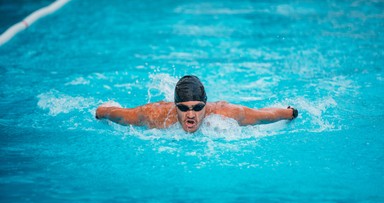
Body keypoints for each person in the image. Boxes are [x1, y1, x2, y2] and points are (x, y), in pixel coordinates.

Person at [95, 75, 298, 133]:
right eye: (183, 108)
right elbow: (120, 115)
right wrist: (102, 111)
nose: (190, 114)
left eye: (197, 108)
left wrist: (289, 113)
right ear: (175, 107)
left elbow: (265, 115)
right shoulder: (155, 115)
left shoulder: (226, 114)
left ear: (205, 105)